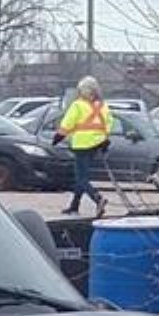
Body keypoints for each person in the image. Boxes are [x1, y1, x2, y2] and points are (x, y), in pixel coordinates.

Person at [55, 75, 112, 216]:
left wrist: (58, 137)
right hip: (96, 144)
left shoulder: (78, 105)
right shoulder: (102, 106)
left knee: (81, 178)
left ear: (84, 91)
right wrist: (104, 140)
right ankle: (74, 205)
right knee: (82, 177)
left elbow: (68, 123)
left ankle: (98, 198)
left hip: (82, 145)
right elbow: (109, 123)